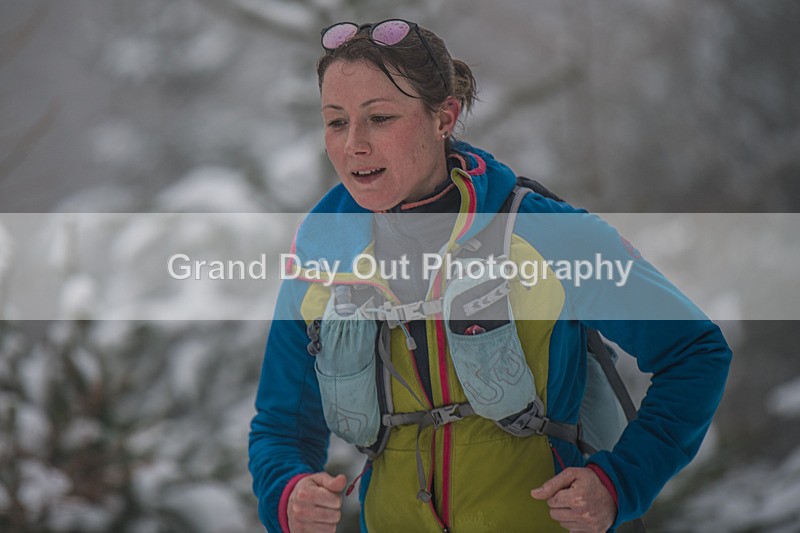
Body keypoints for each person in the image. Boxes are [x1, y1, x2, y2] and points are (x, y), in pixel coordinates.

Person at [249, 19, 731, 533]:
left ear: (444, 117)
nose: (354, 145)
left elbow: (695, 353)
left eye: (381, 117)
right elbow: (281, 427)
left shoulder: (543, 233)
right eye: (336, 122)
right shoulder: (321, 259)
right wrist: (288, 494)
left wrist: (619, 484)